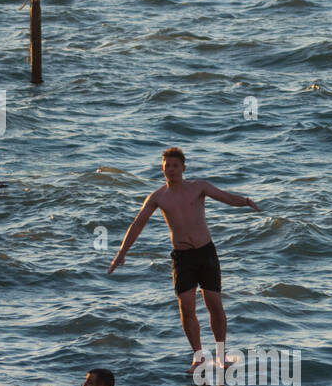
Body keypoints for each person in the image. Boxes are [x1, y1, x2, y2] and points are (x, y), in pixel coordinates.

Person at [107, 147, 260, 374]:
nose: (171, 169)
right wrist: (121, 253)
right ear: (162, 168)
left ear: (183, 168)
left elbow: (225, 197)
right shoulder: (158, 197)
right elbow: (137, 224)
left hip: (206, 253)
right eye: (167, 165)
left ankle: (221, 356)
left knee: (214, 304)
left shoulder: (198, 187)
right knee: (186, 307)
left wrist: (245, 201)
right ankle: (198, 357)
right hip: (182, 258)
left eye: (175, 165)